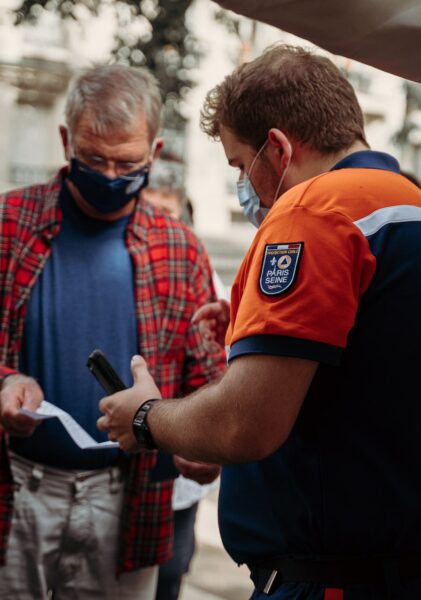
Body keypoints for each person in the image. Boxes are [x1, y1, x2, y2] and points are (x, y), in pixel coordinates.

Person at [98, 45, 421, 599]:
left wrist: (145, 418)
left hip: (344, 581)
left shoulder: (314, 211)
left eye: (241, 165)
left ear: (278, 148)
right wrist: (256, 324)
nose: (245, 186)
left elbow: (248, 422)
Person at [0, 65, 225, 599]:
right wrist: (5, 381)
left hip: (128, 497)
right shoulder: (9, 222)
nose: (108, 175)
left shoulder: (180, 247)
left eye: (126, 163)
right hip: (16, 486)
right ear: (65, 141)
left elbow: (210, 377)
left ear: (155, 150)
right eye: (92, 159)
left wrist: (204, 440)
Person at [141, 159, 223, 600]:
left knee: (171, 570)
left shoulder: (196, 270)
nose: (154, 224)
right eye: (146, 210)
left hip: (179, 468)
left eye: (166, 214)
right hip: (129, 461)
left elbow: (213, 369)